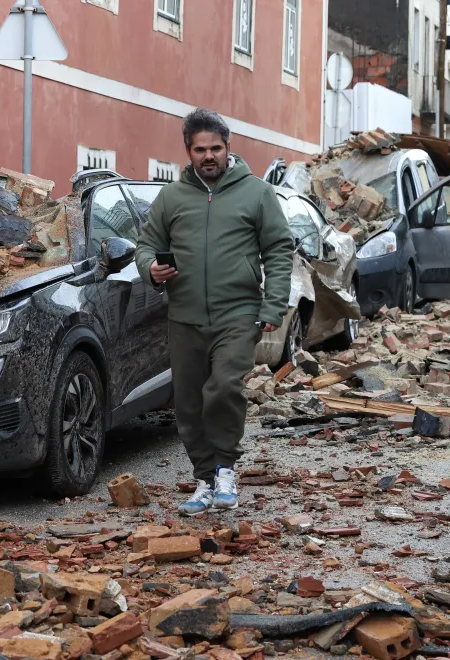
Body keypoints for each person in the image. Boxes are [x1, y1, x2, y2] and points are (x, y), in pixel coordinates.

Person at [135, 108, 293, 515]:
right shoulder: (171, 197)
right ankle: (204, 480)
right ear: (187, 151)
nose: (209, 156)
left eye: (216, 148)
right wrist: (151, 269)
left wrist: (273, 303)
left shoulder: (256, 193)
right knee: (187, 404)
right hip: (184, 315)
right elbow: (145, 245)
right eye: (200, 149)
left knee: (223, 386)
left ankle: (226, 468)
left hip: (238, 313)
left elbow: (278, 250)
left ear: (229, 147)